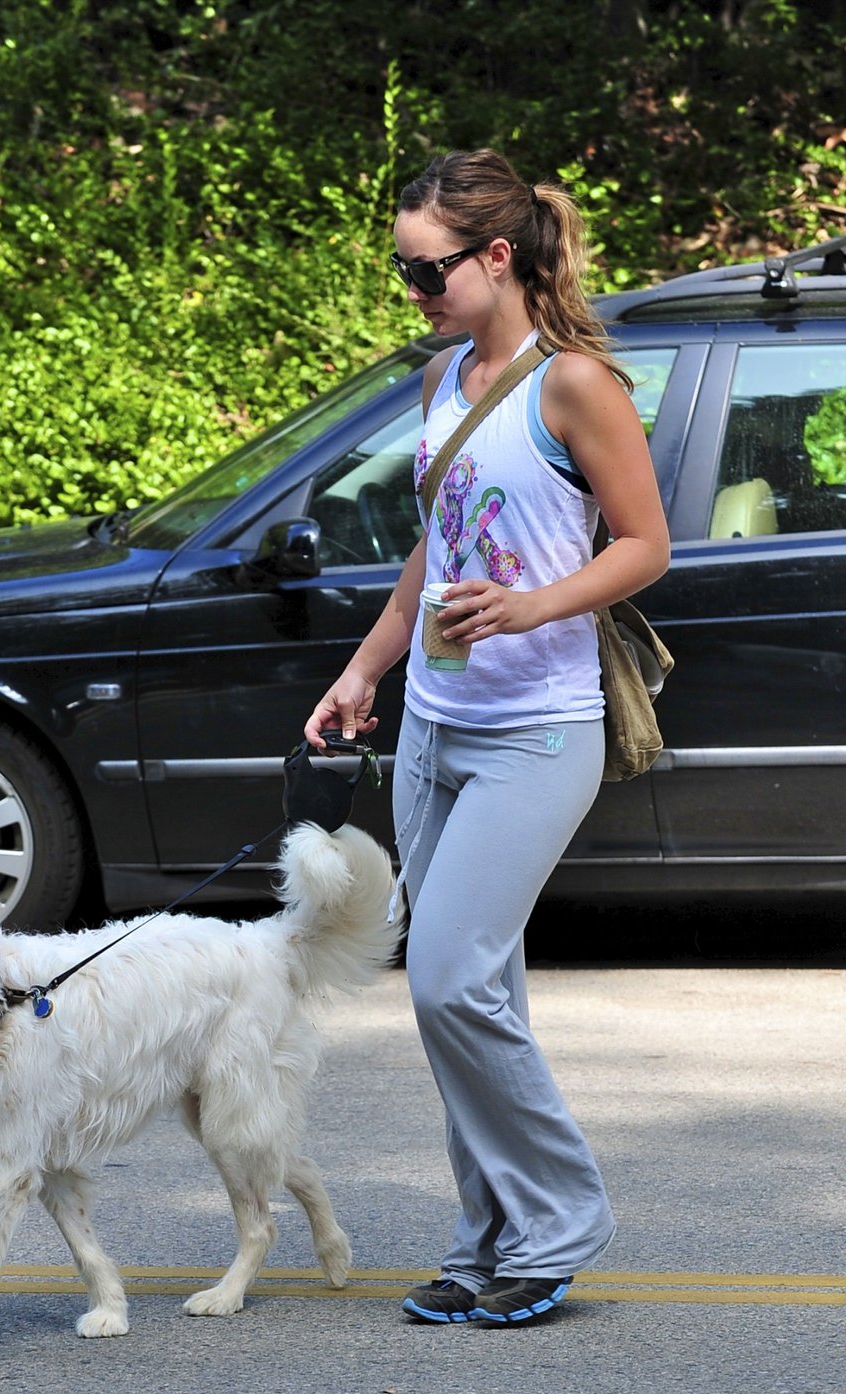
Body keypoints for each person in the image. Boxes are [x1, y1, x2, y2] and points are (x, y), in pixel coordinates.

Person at [304, 149, 670, 1326]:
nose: (412, 292)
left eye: (427, 273)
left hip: (536, 726)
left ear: (496, 256)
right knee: (479, 986)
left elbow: (643, 544)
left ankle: (558, 1219)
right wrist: (365, 670)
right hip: (436, 729)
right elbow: (435, 549)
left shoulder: (573, 385)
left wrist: (533, 602)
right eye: (403, 272)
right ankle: (486, 1234)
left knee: (449, 978)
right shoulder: (441, 382)